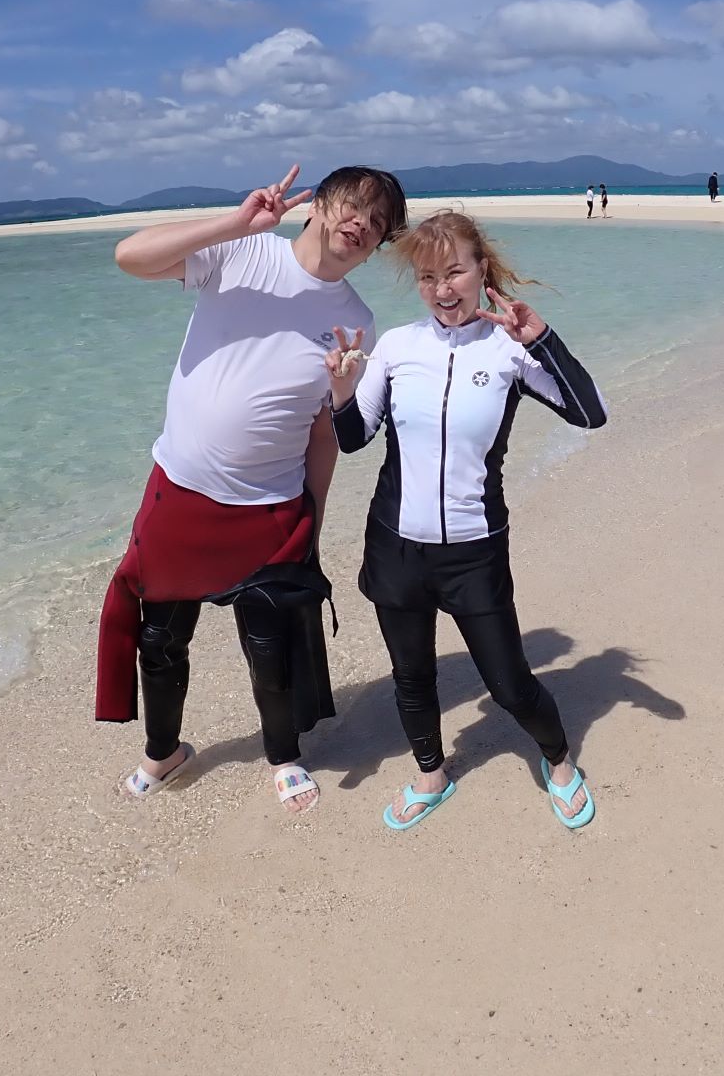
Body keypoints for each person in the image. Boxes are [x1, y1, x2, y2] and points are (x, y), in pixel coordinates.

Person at [101, 164, 408, 815]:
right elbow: (130, 257)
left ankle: (284, 755)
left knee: (270, 647)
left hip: (271, 504)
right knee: (160, 638)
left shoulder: (356, 320)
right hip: (181, 487)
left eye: (378, 223)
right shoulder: (242, 252)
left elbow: (324, 433)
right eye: (353, 205)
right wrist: (236, 222)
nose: (362, 224)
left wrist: (315, 520)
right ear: (317, 205)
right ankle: (163, 752)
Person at [327, 210, 609, 831]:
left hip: (474, 551)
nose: (442, 289)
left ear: (482, 271)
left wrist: (541, 339)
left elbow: (589, 413)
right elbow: (353, 438)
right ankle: (431, 773)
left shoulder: (510, 349)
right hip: (396, 548)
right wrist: (341, 392)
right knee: (411, 676)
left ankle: (559, 761)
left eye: (454, 272)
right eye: (428, 277)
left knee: (508, 684)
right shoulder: (397, 347)